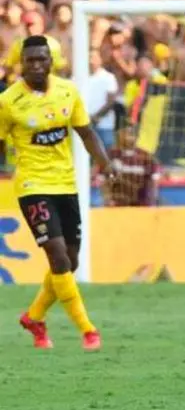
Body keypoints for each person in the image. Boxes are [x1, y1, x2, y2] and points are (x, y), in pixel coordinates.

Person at [0, 35, 114, 351]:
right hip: (32, 186)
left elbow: (86, 132)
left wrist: (105, 164)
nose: (36, 65)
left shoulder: (68, 92)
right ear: (21, 63)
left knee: (70, 261)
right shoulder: (9, 101)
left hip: (65, 185)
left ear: (52, 61)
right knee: (58, 254)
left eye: (42, 59)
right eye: (30, 60)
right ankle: (88, 330)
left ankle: (34, 317)